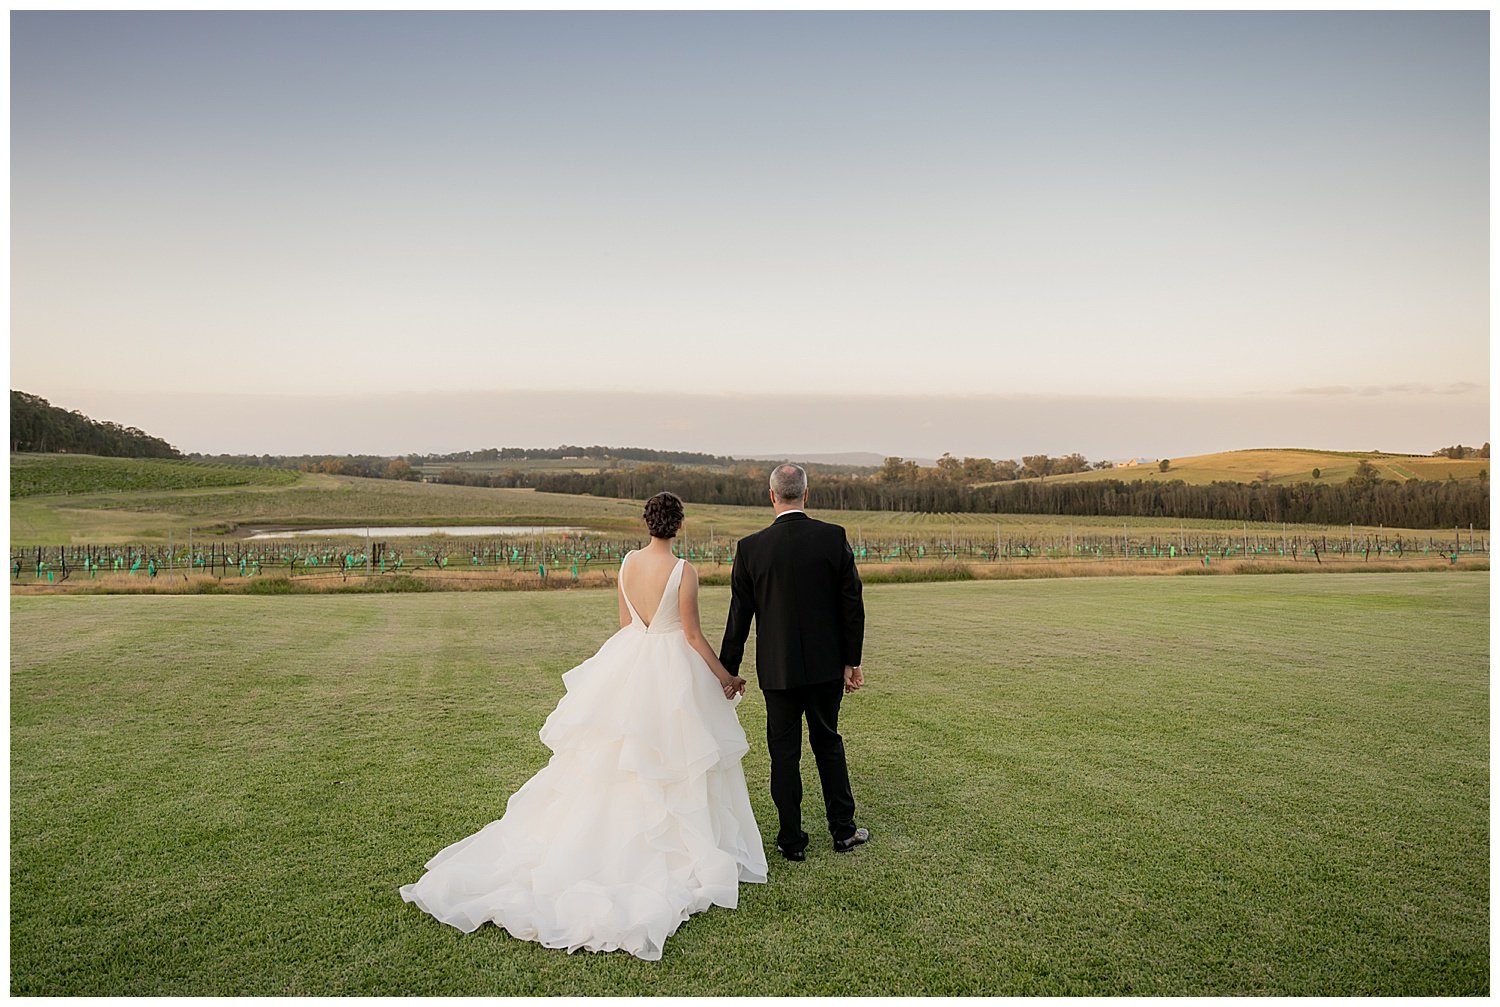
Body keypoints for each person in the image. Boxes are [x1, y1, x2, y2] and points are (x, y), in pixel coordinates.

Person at [399, 492, 767, 961]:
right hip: (671, 667)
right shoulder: (684, 570)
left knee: (618, 755)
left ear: (647, 523)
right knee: (673, 756)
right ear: (679, 525)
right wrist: (725, 677)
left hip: (631, 661)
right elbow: (692, 635)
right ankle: (668, 841)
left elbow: (626, 623)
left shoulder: (627, 563)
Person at [720, 464, 869, 861]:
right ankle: (843, 831)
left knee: (784, 754)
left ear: (771, 495)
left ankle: (791, 841)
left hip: (777, 670)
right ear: (807, 493)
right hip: (825, 667)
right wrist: (851, 661)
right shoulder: (833, 537)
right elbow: (852, 605)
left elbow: (739, 617)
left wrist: (727, 670)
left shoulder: (750, 548)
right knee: (828, 743)